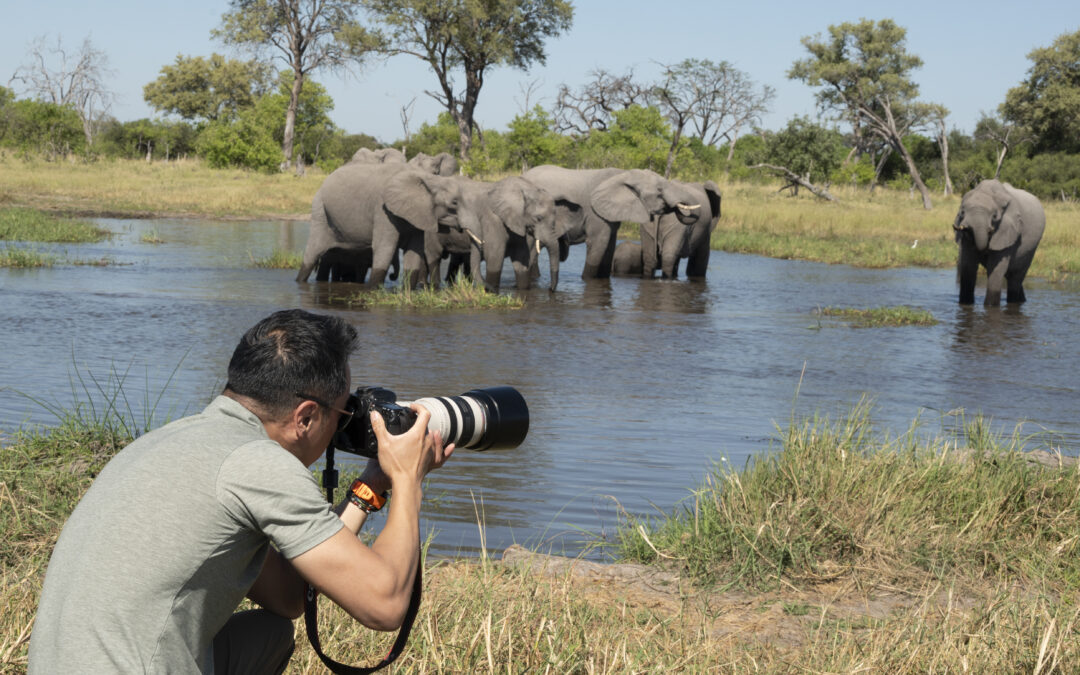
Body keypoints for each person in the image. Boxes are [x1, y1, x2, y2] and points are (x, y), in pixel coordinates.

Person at [28, 309, 454, 673]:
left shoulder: (172, 441)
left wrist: (368, 488)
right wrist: (408, 480)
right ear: (306, 417)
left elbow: (288, 597)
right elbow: (384, 606)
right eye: (343, 413)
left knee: (269, 634)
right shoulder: (258, 463)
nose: (343, 428)